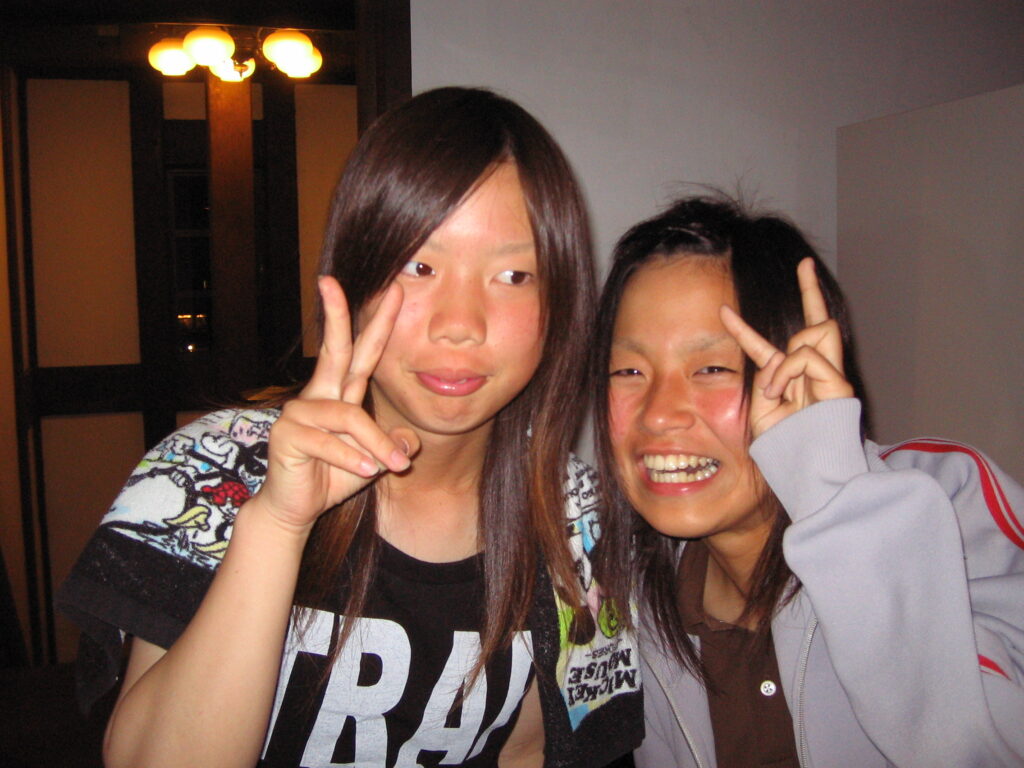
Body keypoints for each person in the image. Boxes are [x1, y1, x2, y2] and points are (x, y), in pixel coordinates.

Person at [58, 87, 641, 768]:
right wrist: (277, 525)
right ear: (355, 275)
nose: (460, 324)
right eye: (419, 265)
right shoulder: (209, 471)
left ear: (561, 301)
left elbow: (526, 754)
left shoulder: (575, 517)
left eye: (514, 275)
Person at [590, 194, 1024, 767]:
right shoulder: (626, 594)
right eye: (628, 370)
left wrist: (828, 487)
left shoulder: (951, 499)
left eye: (713, 368)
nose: (659, 414)